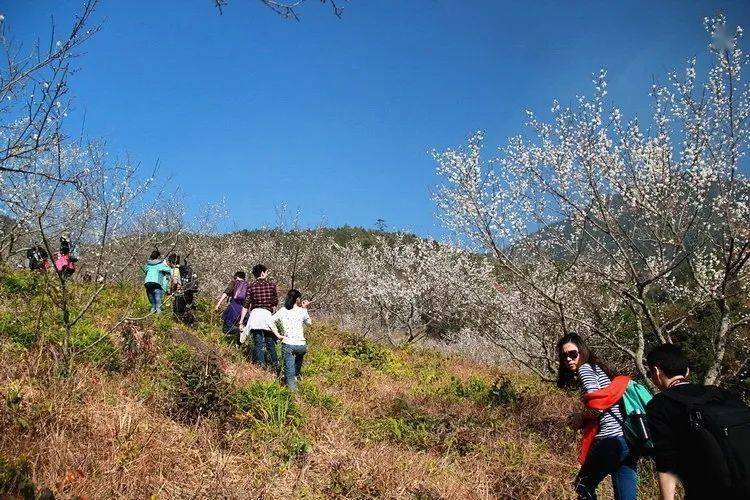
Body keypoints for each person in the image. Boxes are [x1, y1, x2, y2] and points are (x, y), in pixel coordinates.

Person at [645, 343, 750, 500]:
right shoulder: (721, 394)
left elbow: (666, 460)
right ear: (687, 371)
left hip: (710, 489)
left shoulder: (660, 404)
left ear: (656, 371)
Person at [557, 332, 637, 500]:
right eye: (564, 356)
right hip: (628, 441)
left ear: (582, 351)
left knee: (582, 486)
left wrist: (580, 417)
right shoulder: (601, 369)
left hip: (609, 440)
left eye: (573, 354)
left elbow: (597, 408)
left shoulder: (585, 369)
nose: (569, 359)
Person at [268, 289, 311, 392]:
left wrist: (278, 335)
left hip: (288, 344)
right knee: (296, 369)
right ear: (297, 299)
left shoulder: (283, 310)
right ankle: (296, 379)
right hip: (301, 345)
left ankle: (293, 395)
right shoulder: (302, 311)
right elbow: (309, 323)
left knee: (289, 372)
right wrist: (305, 308)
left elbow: (270, 321)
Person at [239, 264, 279, 370]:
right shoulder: (272, 285)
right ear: (262, 273)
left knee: (258, 342)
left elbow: (246, 304)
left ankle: (261, 365)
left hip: (255, 316)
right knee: (270, 341)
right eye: (266, 272)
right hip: (267, 315)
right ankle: (275, 364)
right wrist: (273, 315)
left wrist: (241, 321)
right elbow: (275, 303)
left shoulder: (251, 286)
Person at [214, 271, 248, 336]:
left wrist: (218, 303)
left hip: (233, 307)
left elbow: (226, 293)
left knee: (226, 329)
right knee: (236, 325)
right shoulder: (247, 286)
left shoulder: (234, 282)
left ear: (236, 277)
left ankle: (240, 331)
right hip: (242, 310)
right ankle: (240, 335)